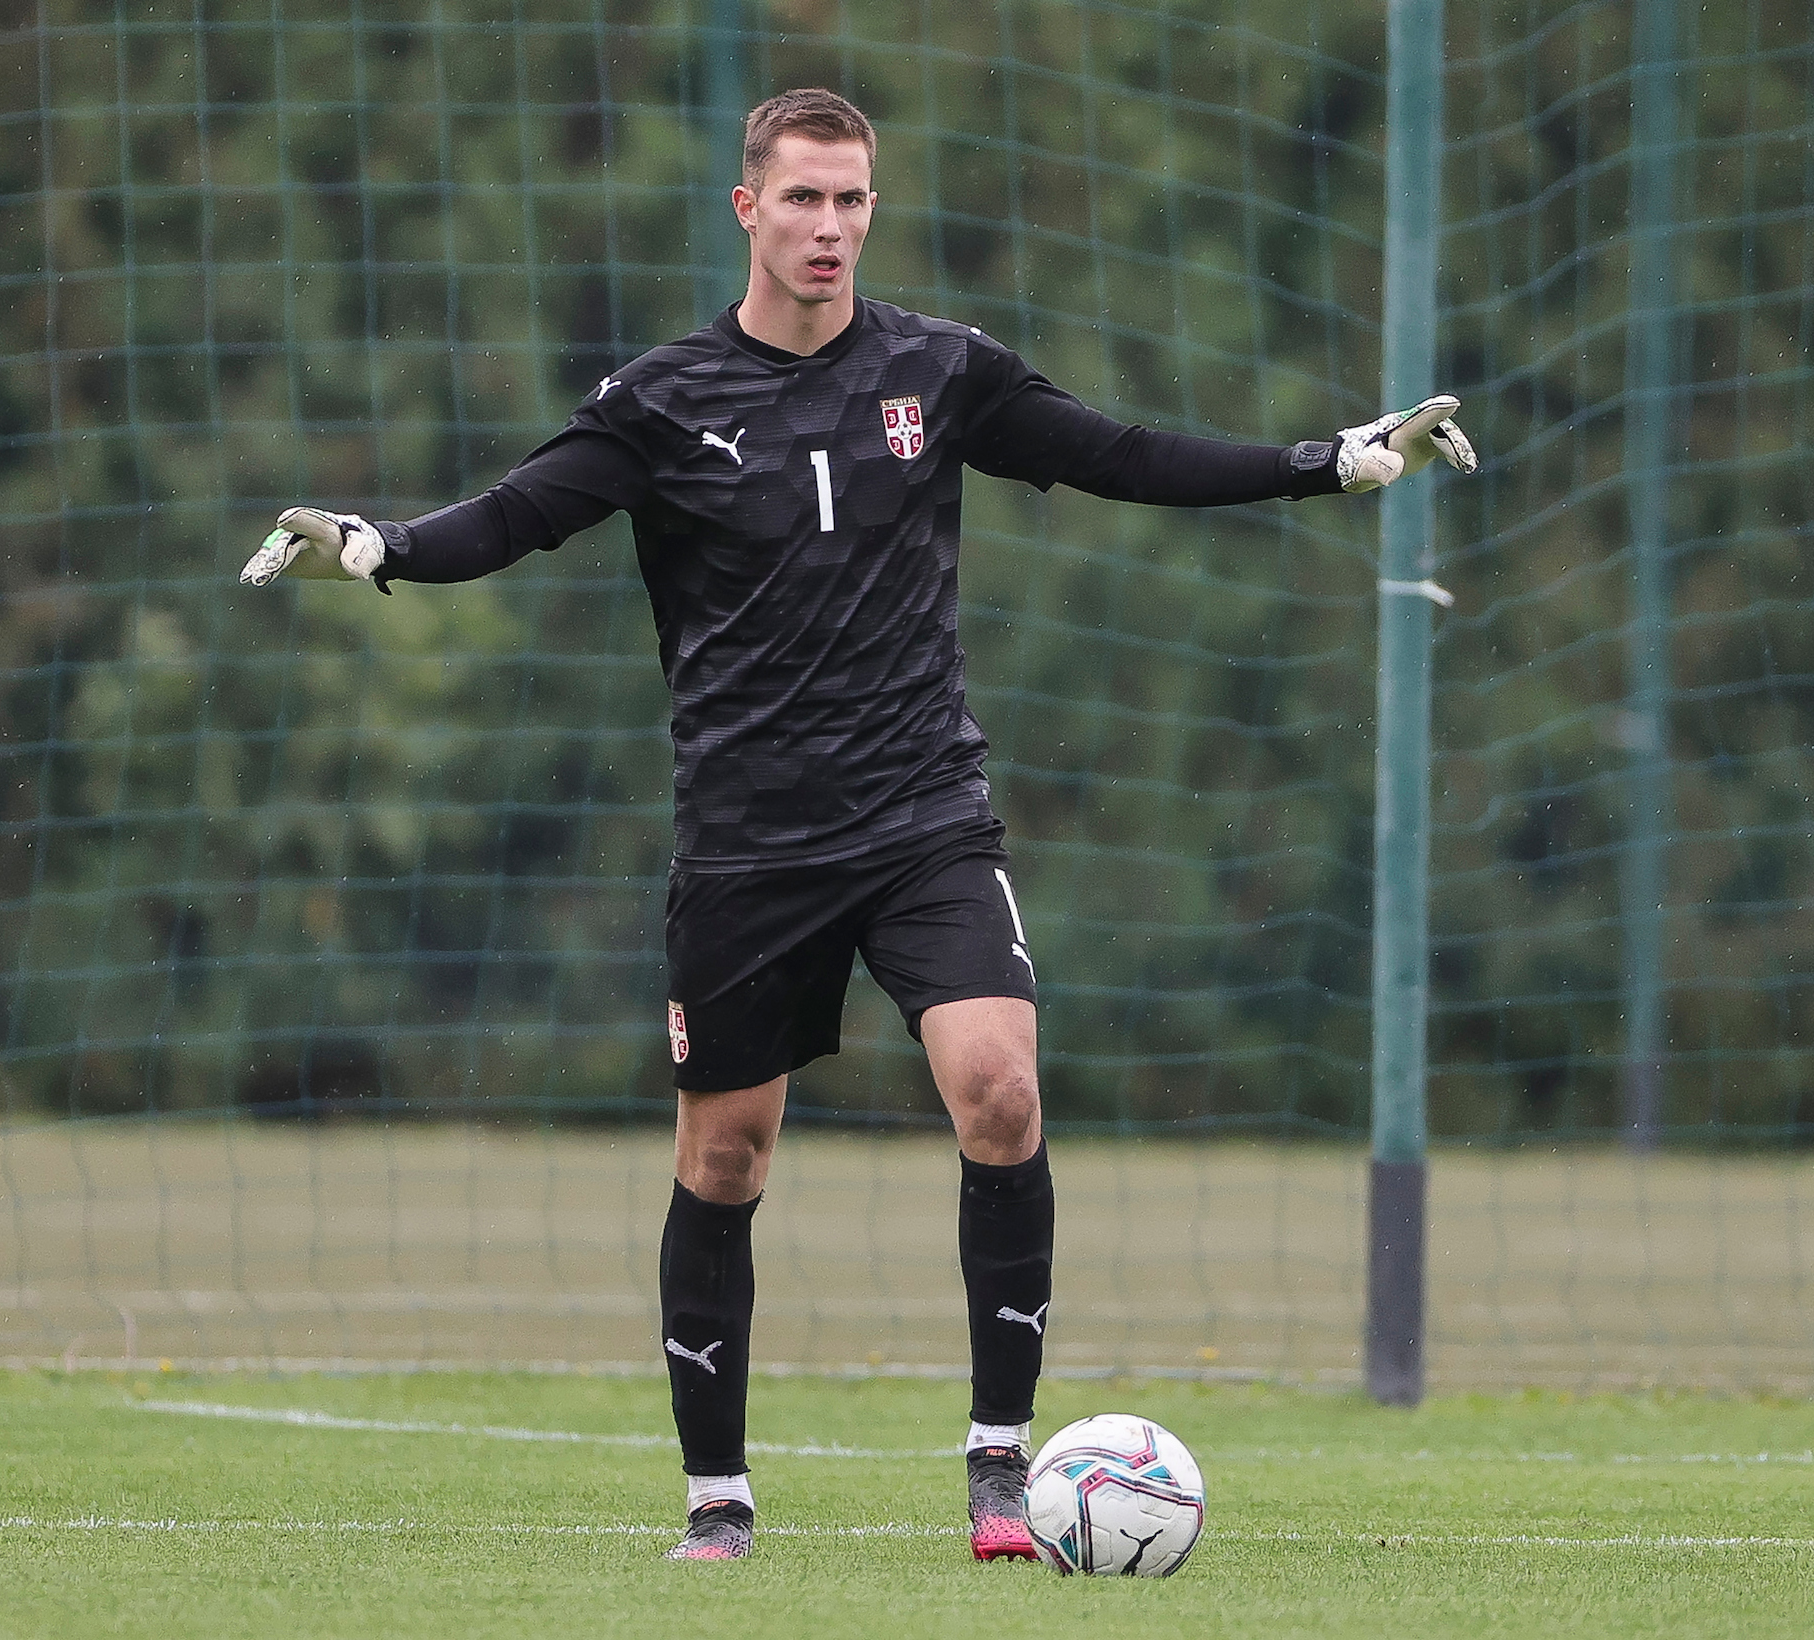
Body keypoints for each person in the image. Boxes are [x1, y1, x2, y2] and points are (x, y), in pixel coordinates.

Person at [241, 86, 1475, 1563]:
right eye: (803, 198)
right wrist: (373, 546)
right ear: (749, 208)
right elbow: (511, 518)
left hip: (921, 816)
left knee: (999, 1088)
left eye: (852, 200)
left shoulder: (939, 372)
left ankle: (1003, 1470)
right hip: (748, 845)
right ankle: (717, 1499)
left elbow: (1123, 455)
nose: (829, 226)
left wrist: (1326, 460)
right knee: (727, 1157)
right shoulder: (660, 401)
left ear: (872, 210)